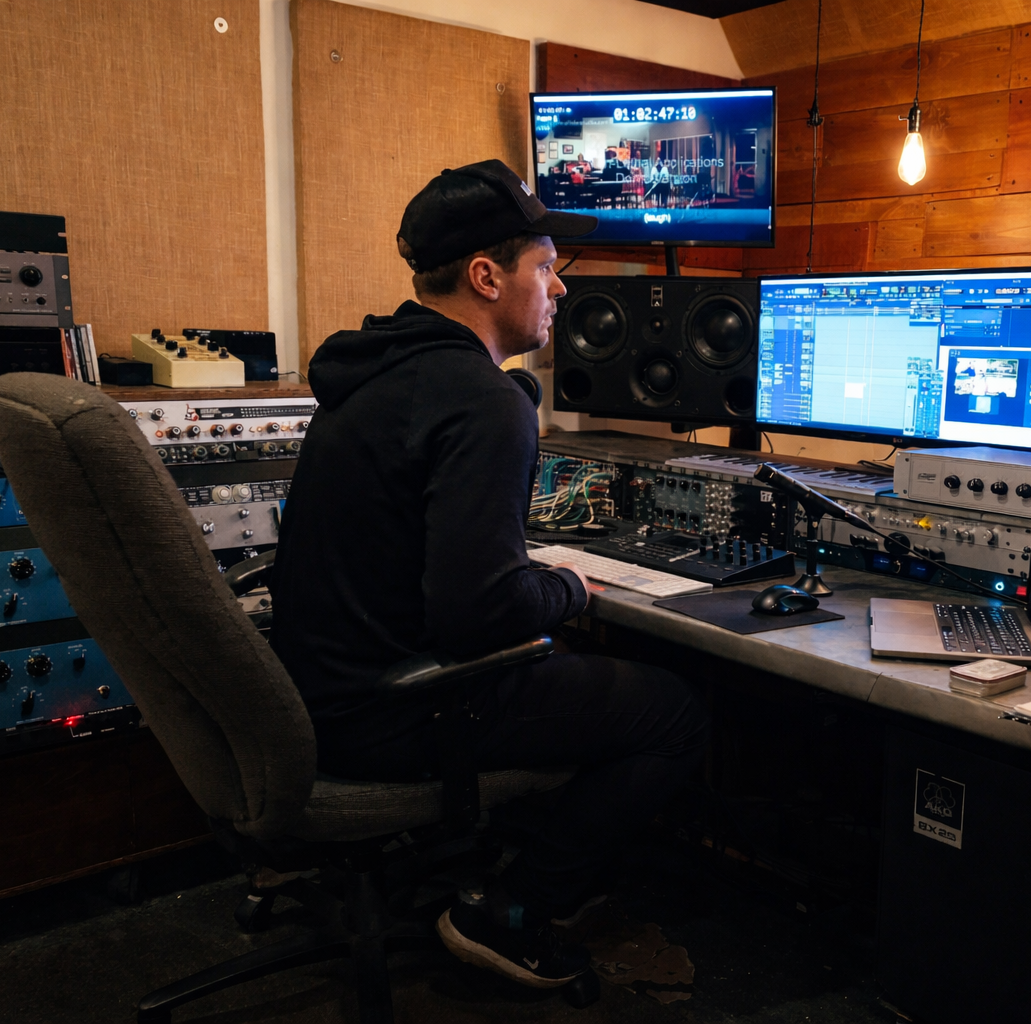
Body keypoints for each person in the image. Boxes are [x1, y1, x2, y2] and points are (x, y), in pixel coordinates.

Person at [269, 159, 709, 990]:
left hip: (318, 693)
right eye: (545, 267)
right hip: (392, 707)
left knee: (581, 677)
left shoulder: (374, 370)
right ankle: (507, 909)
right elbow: (481, 611)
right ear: (485, 276)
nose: (560, 290)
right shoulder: (483, 398)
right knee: (674, 712)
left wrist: (526, 579)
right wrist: (569, 589)